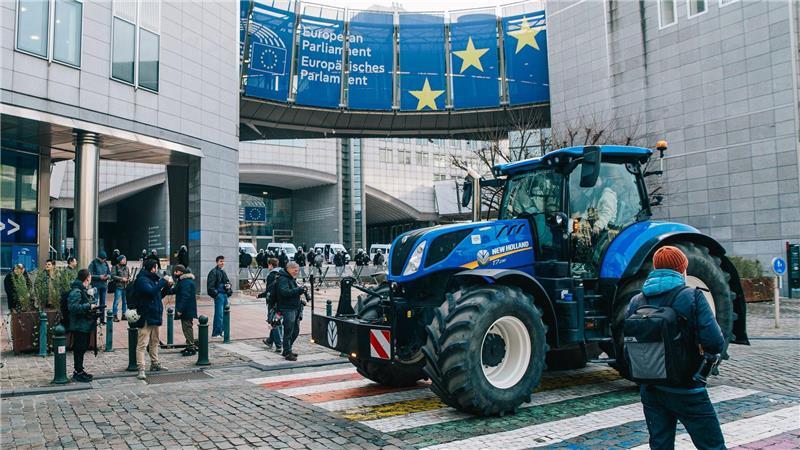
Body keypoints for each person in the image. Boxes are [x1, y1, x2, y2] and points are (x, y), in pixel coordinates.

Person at [625, 246, 725, 450]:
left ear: (655, 268)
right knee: (712, 445)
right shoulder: (692, 296)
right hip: (687, 387)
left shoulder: (636, 301)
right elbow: (714, 342)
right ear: (682, 269)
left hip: (651, 387)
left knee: (660, 445)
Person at [134, 259, 172, 380]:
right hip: (146, 315)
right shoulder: (142, 280)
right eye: (156, 267)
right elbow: (150, 292)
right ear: (152, 268)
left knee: (154, 341)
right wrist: (162, 281)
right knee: (142, 343)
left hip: (155, 314)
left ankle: (155, 363)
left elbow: (158, 295)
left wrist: (167, 287)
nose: (157, 270)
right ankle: (141, 368)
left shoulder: (152, 279)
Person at [67, 269, 100, 383]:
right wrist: (89, 306)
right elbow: (73, 308)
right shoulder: (76, 291)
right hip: (78, 325)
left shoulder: (82, 289)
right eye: (90, 276)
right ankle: (78, 372)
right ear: (87, 278)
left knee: (82, 348)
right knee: (79, 349)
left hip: (83, 325)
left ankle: (80, 370)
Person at [276, 262, 307, 361]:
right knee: (288, 330)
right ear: (289, 268)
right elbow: (284, 292)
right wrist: (299, 290)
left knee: (296, 330)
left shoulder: (290, 278)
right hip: (287, 308)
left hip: (295, 307)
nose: (296, 272)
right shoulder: (283, 278)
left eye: (297, 270)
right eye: (295, 270)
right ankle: (287, 351)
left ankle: (287, 349)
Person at [168, 265, 197, 356]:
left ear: (181, 272)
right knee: (186, 327)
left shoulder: (185, 282)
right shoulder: (183, 281)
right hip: (187, 309)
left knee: (187, 327)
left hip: (186, 310)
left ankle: (191, 347)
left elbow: (185, 296)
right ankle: (189, 345)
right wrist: (167, 287)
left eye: (176, 271)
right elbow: (175, 291)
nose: (174, 273)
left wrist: (180, 309)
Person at [259, 258, 283, 353]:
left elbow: (270, 290)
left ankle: (278, 345)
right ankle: (270, 340)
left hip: (273, 302)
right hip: (281, 302)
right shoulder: (281, 273)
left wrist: (261, 295)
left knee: (273, 322)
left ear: (271, 265)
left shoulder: (271, 275)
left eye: (268, 264)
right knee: (276, 321)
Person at [206, 255, 232, 339]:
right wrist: (216, 295)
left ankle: (222, 331)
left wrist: (228, 289)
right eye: (221, 261)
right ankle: (216, 333)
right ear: (217, 262)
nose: (222, 263)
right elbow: (210, 286)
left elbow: (228, 282)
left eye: (223, 261)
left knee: (224, 314)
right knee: (219, 314)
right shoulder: (213, 272)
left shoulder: (223, 271)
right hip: (220, 295)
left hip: (224, 295)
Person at [88, 251, 111, 324]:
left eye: (105, 259)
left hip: (104, 286)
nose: (104, 260)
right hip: (96, 286)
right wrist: (99, 277)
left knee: (103, 303)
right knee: (95, 301)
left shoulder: (106, 263)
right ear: (99, 258)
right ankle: (94, 319)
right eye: (102, 259)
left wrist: (108, 276)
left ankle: (102, 319)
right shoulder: (93, 263)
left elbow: (109, 274)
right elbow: (90, 274)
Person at [111, 255, 130, 322]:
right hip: (118, 286)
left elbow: (128, 275)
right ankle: (114, 315)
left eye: (125, 259)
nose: (125, 260)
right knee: (116, 301)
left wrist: (128, 279)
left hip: (125, 287)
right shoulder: (115, 267)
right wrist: (121, 279)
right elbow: (112, 276)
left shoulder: (127, 268)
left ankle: (124, 315)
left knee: (125, 302)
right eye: (123, 259)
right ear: (119, 260)